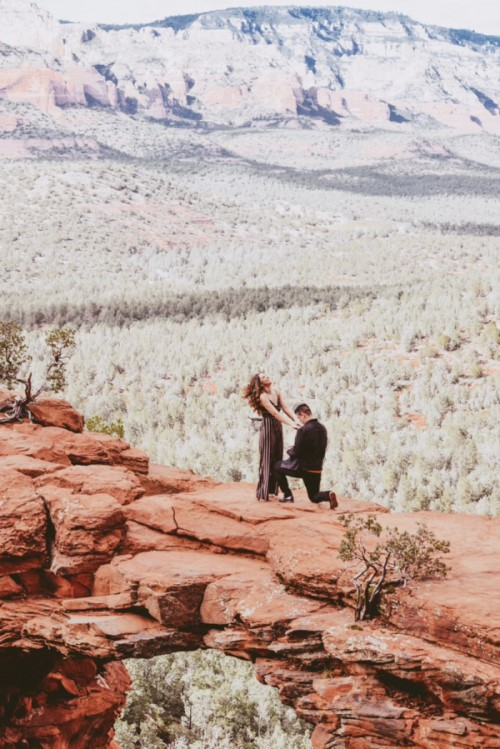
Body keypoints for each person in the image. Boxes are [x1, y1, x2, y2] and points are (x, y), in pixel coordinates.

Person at [243, 373, 301, 501]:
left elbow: (285, 407)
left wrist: (295, 419)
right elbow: (274, 413)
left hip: (277, 426)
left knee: (277, 458)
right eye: (263, 377)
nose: (267, 377)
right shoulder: (263, 396)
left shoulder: (276, 391)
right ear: (260, 383)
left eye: (266, 375)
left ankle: (272, 491)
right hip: (268, 427)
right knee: (267, 459)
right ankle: (263, 493)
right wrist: (291, 424)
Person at [274, 403, 338, 509]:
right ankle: (328, 494)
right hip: (316, 469)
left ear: (303, 415)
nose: (300, 421)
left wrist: (289, 451)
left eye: (299, 418)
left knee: (276, 466)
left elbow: (297, 452)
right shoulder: (323, 428)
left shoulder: (303, 430)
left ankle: (288, 495)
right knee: (314, 496)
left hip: (302, 468)